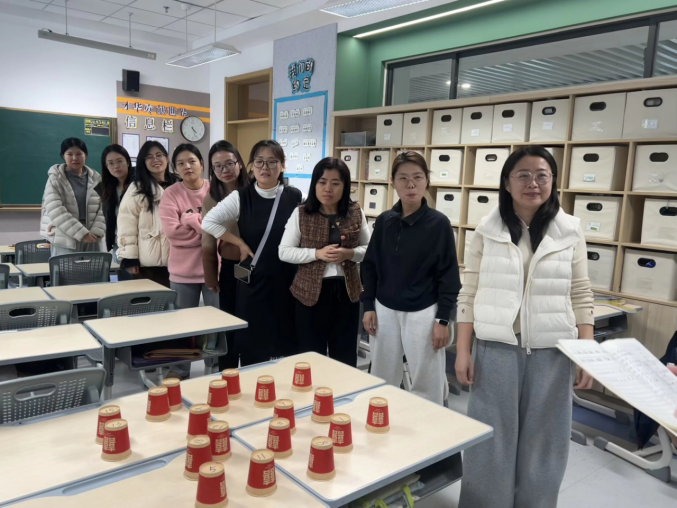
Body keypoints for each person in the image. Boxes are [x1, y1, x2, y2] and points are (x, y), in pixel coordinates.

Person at [455, 146, 595, 508]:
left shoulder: (570, 230)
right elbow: (469, 291)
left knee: (545, 444)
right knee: (490, 443)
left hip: (552, 352)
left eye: (542, 175)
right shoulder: (487, 230)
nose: (533, 183)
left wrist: (586, 351)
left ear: (553, 181)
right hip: (496, 348)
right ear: (507, 183)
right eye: (524, 175)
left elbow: (581, 292)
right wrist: (463, 350)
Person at [361, 151, 460, 405]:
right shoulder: (384, 221)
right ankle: (381, 422)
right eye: (403, 178)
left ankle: (427, 426)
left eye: (417, 177)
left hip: (423, 312)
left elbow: (449, 275)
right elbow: (370, 266)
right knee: (381, 377)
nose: (411, 184)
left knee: (427, 381)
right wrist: (368, 305)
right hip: (384, 309)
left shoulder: (439, 224)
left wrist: (443, 319)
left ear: (427, 180)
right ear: (393, 182)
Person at [203, 140, 302, 366]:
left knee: (286, 341)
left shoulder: (295, 196)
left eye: (272, 162)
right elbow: (208, 222)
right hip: (255, 281)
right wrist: (238, 242)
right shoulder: (241, 197)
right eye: (259, 162)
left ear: (283, 166)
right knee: (253, 343)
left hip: (288, 280)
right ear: (251, 165)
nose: (265, 167)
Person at [279, 158, 370, 366]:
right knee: (310, 357)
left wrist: (349, 253)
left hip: (347, 294)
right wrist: (316, 254)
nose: (328, 188)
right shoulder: (301, 213)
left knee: (344, 357)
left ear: (345, 186)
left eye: (335, 183)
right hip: (309, 295)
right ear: (314, 184)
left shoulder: (355, 212)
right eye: (322, 182)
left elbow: (369, 250)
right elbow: (284, 252)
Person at [201, 140, 250, 370]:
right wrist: (211, 276)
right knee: (230, 319)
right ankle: (227, 371)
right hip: (232, 266)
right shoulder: (211, 198)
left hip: (260, 264)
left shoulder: (255, 189)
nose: (225, 170)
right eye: (218, 166)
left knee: (255, 320)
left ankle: (254, 367)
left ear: (239, 163)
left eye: (230, 163)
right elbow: (208, 241)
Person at [159, 143, 217, 309]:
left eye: (192, 161)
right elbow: (173, 233)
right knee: (184, 321)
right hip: (182, 272)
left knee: (220, 320)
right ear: (175, 168)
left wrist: (189, 220)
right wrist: (207, 231)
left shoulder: (215, 189)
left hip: (215, 269)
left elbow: (223, 228)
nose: (187, 166)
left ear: (201, 163)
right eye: (181, 163)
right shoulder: (170, 193)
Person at [117, 141, 178, 287]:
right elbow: (126, 223)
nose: (155, 159)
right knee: (152, 299)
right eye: (149, 157)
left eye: (159, 155)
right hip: (149, 261)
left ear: (167, 158)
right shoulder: (137, 188)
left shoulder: (178, 183)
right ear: (143, 162)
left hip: (178, 258)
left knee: (177, 299)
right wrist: (129, 257)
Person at [42, 137, 105, 255]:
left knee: (94, 267)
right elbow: (56, 210)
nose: (75, 158)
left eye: (79, 154)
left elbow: (103, 207)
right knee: (66, 267)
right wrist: (81, 233)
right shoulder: (55, 178)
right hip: (65, 236)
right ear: (63, 156)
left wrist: (96, 232)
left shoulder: (96, 178)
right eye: (69, 154)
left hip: (92, 236)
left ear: (86, 156)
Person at [99, 144, 133, 280]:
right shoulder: (107, 188)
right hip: (117, 244)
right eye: (111, 163)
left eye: (119, 161)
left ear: (128, 162)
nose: (116, 166)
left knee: (139, 285)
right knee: (124, 285)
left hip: (136, 245)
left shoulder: (139, 184)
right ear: (106, 166)